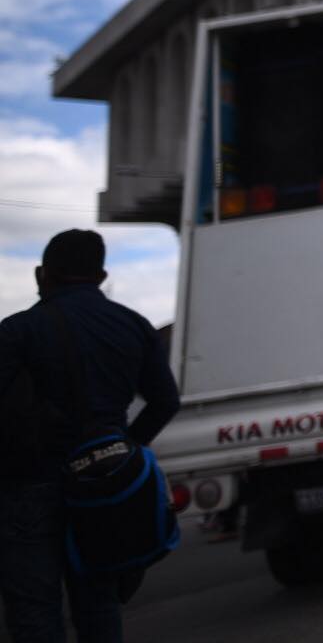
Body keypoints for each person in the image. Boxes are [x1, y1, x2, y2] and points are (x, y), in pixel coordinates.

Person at [0, 230, 180, 643]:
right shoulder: (132, 325)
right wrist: (126, 447)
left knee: (33, 611)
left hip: (29, 483)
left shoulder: (18, 330)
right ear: (101, 275)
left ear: (41, 274)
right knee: (98, 602)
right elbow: (166, 400)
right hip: (105, 484)